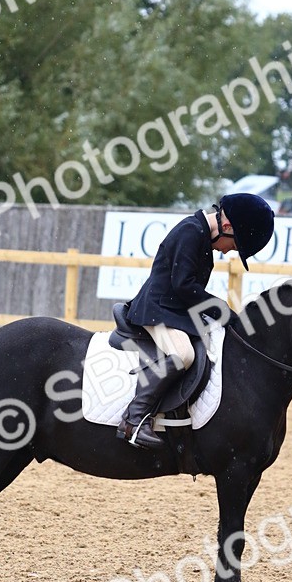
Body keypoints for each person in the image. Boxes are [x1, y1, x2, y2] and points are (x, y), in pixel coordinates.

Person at [117, 192, 275, 448]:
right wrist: (220, 309)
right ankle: (134, 419)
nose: (228, 252)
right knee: (183, 355)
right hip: (157, 310)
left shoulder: (201, 234)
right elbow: (184, 285)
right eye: (234, 246)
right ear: (227, 226)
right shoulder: (191, 232)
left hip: (176, 311)